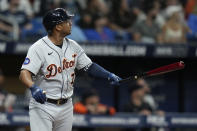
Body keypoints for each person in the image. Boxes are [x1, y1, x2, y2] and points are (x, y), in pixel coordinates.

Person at [19, 8, 121, 131]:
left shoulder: (73, 45)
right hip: (43, 105)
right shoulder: (38, 48)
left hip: (66, 106)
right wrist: (33, 87)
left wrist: (108, 74)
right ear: (58, 27)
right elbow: (24, 73)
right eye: (67, 21)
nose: (71, 23)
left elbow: (89, 66)